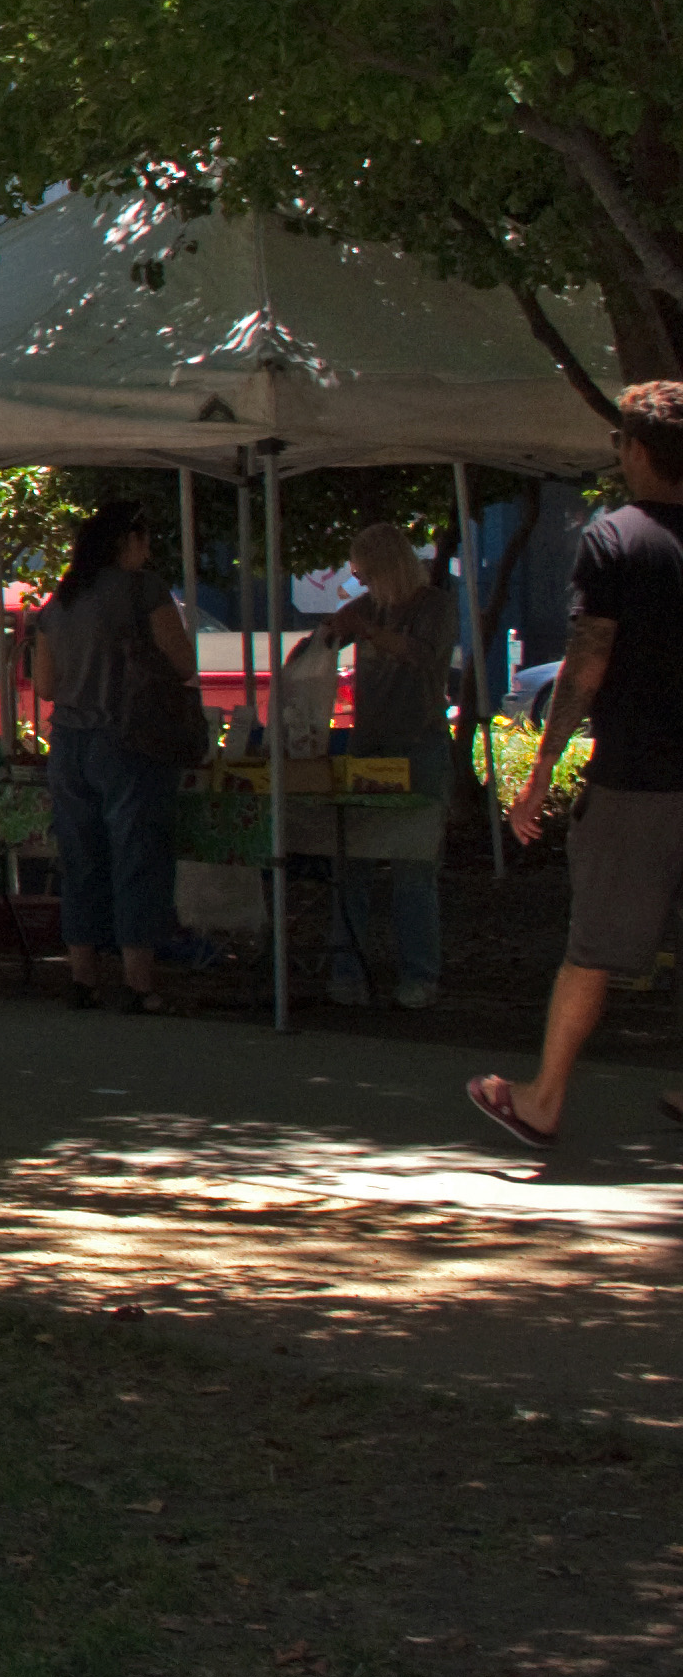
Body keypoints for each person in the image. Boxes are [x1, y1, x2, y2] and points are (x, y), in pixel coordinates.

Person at [472, 384, 683, 1149]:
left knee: (595, 947)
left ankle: (543, 1098)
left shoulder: (616, 539)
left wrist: (541, 770)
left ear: (633, 450)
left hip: (638, 774)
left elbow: (587, 662)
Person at [27, 499, 202, 1015]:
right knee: (137, 856)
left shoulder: (58, 603)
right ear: (127, 542)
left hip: (69, 745)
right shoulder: (142, 590)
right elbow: (183, 661)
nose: (147, 552)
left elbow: (45, 685)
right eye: (143, 541)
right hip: (130, 741)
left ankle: (82, 975)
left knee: (81, 859)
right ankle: (138, 979)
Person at [319, 523, 451, 1009]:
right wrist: (331, 633)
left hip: (418, 743)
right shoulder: (367, 605)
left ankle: (420, 974)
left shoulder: (433, 605)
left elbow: (423, 656)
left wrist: (369, 631)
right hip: (369, 744)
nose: (362, 582)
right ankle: (346, 970)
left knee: (413, 866)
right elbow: (330, 633)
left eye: (367, 572)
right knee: (351, 861)